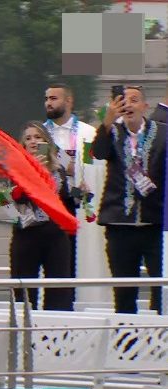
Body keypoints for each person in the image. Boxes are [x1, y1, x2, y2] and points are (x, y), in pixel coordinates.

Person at [93, 85, 166, 314]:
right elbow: (98, 153)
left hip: (154, 225)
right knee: (124, 293)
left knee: (160, 289)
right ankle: (126, 346)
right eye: (123, 101)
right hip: (120, 225)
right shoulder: (111, 132)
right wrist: (107, 121)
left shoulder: (163, 133)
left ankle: (159, 343)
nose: (129, 105)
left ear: (145, 106)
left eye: (135, 100)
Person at [10, 122, 75, 310]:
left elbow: (65, 196)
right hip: (26, 233)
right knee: (24, 292)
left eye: (38, 137)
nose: (33, 142)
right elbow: (5, 199)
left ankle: (55, 333)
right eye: (28, 138)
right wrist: (32, 172)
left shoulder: (58, 166)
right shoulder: (14, 166)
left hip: (55, 234)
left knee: (59, 290)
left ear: (46, 141)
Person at [43, 83, 102, 285]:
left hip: (77, 206)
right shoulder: (38, 135)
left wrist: (65, 163)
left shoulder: (87, 134)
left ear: (69, 101)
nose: (48, 103)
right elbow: (8, 198)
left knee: (75, 264)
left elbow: (88, 168)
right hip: (44, 212)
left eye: (53, 98)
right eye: (46, 99)